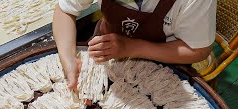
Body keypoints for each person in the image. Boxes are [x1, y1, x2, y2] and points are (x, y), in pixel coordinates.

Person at [52, 0, 217, 90]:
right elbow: (65, 10)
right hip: (107, 46)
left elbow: (198, 50)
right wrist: (68, 60)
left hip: (165, 58)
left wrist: (130, 47)